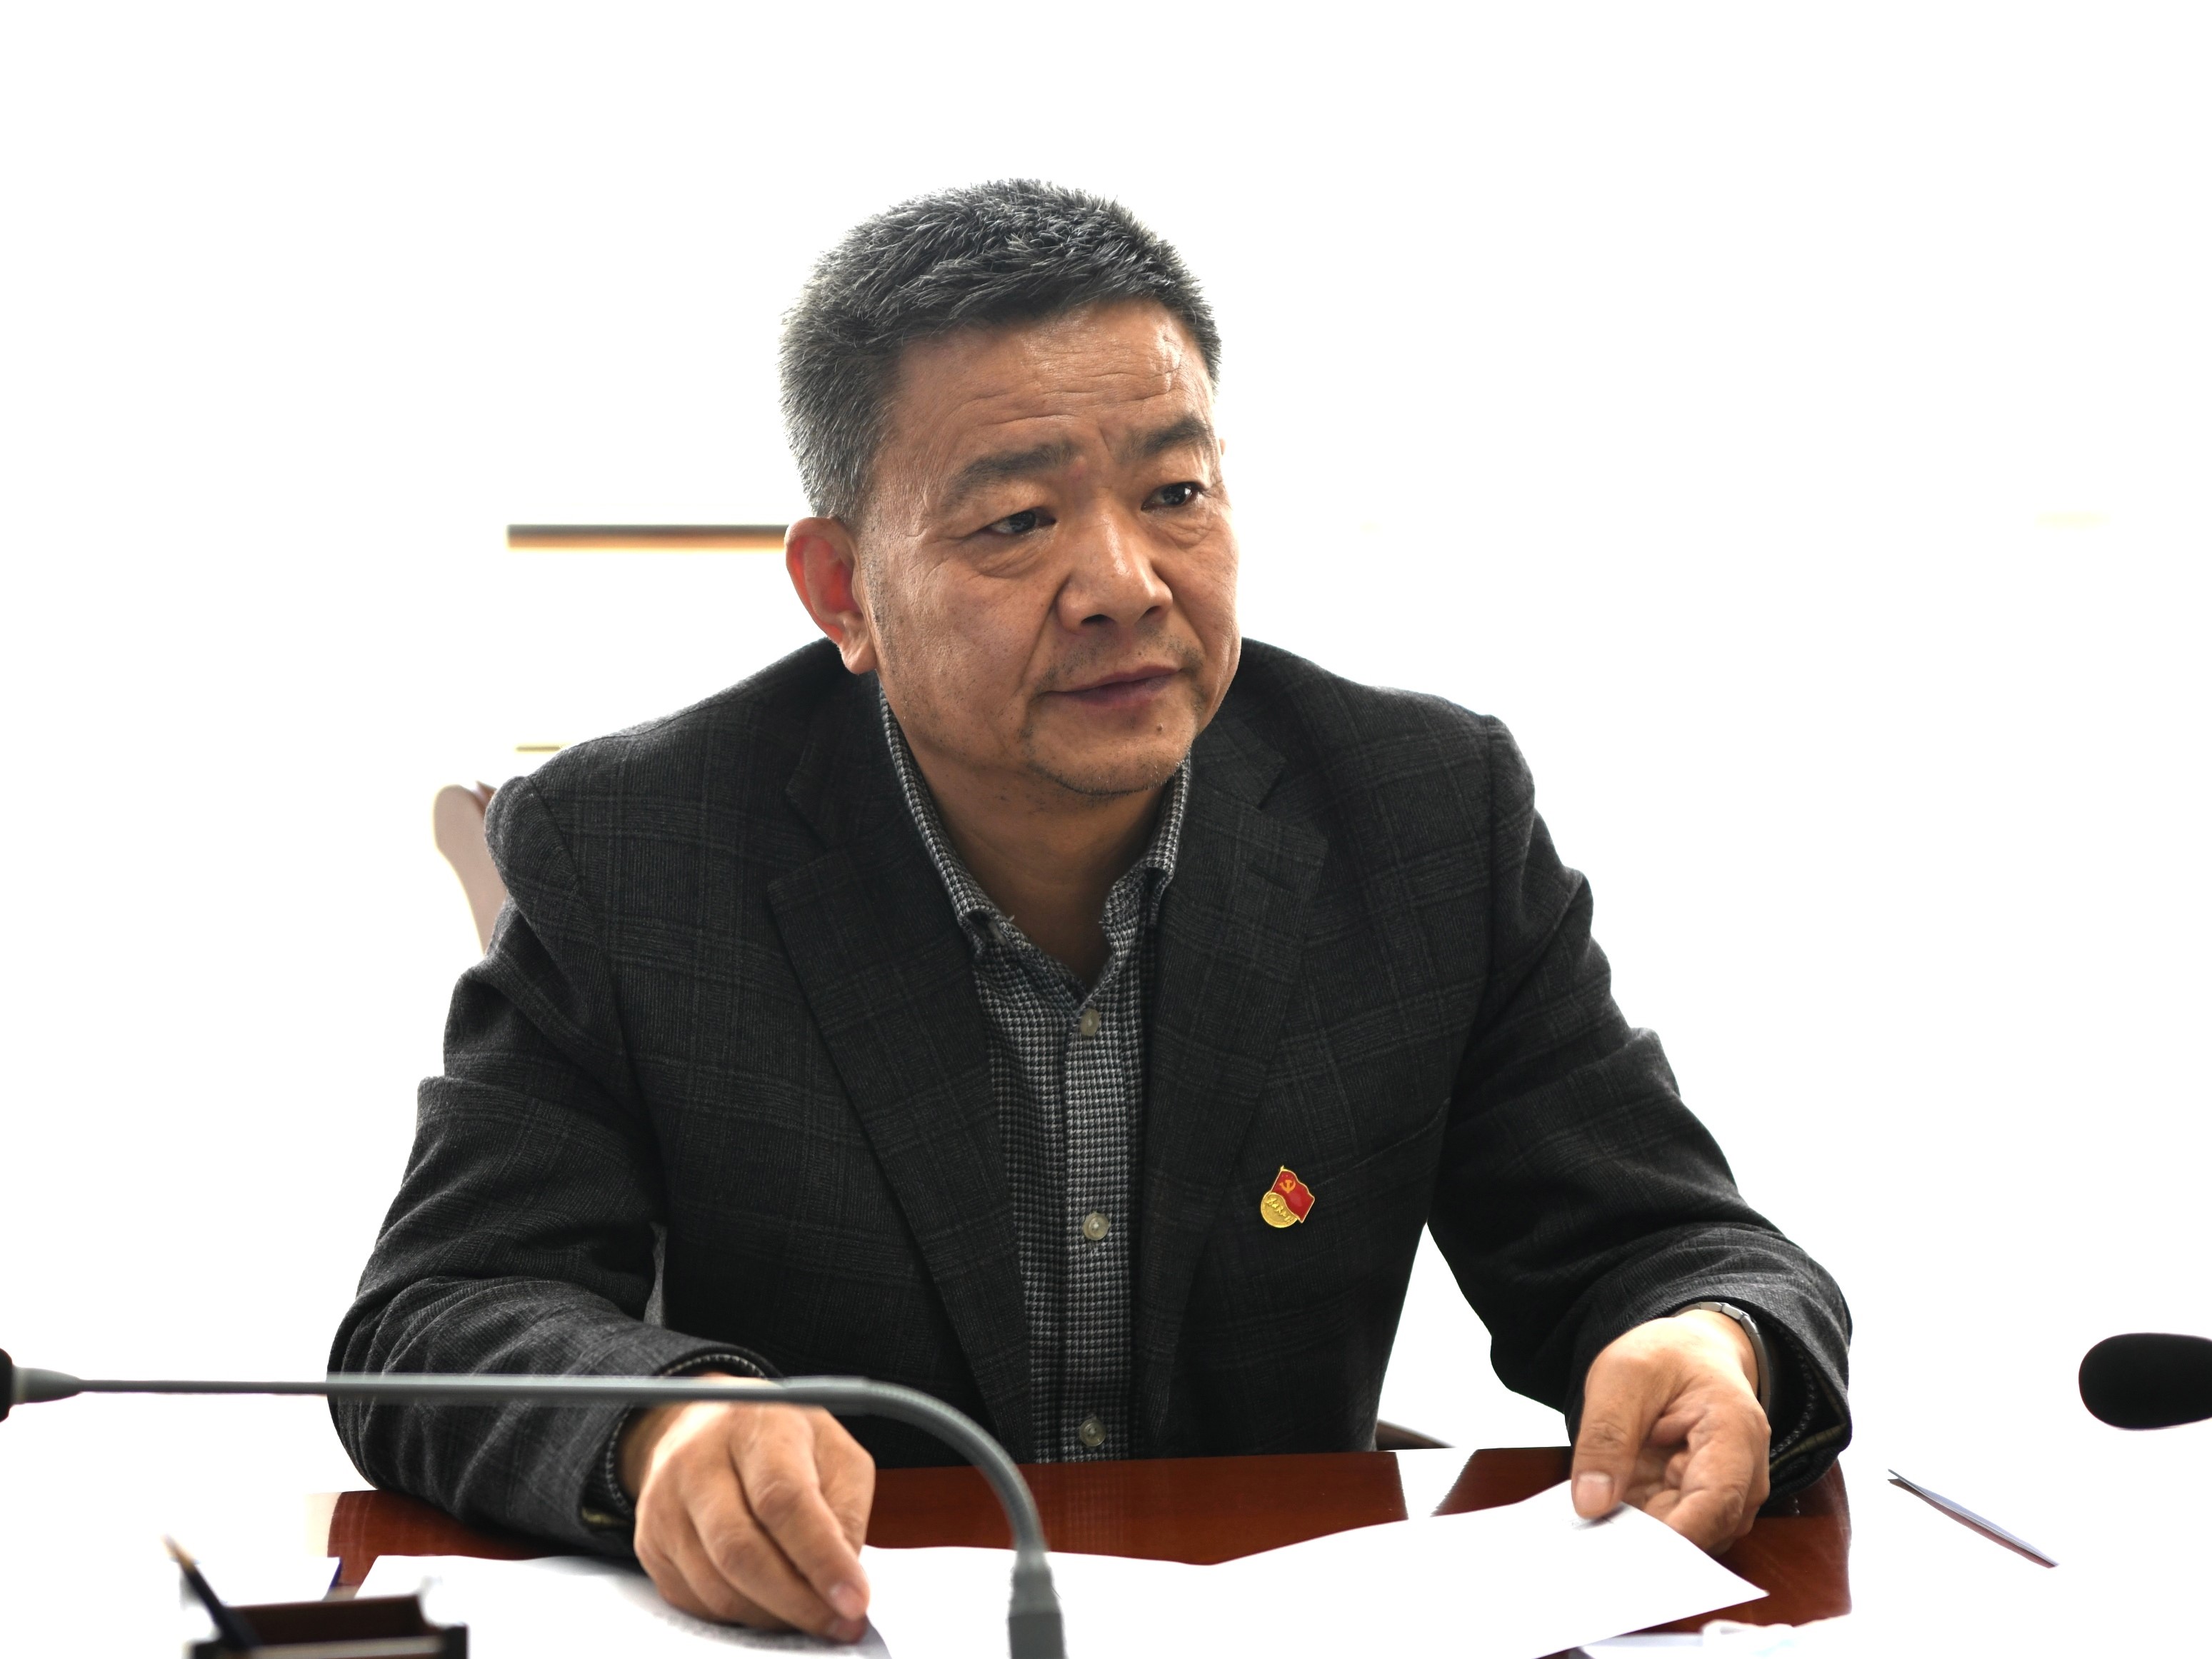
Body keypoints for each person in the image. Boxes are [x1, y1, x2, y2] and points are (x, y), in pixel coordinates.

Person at [333, 180, 1851, 1643]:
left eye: (1174, 493)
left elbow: (1671, 1246)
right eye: (1015, 521)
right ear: (843, 591)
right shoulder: (632, 848)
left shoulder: (1420, 810)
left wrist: (1710, 1335)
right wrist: (663, 1426)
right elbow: (440, 1313)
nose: (1124, 582)